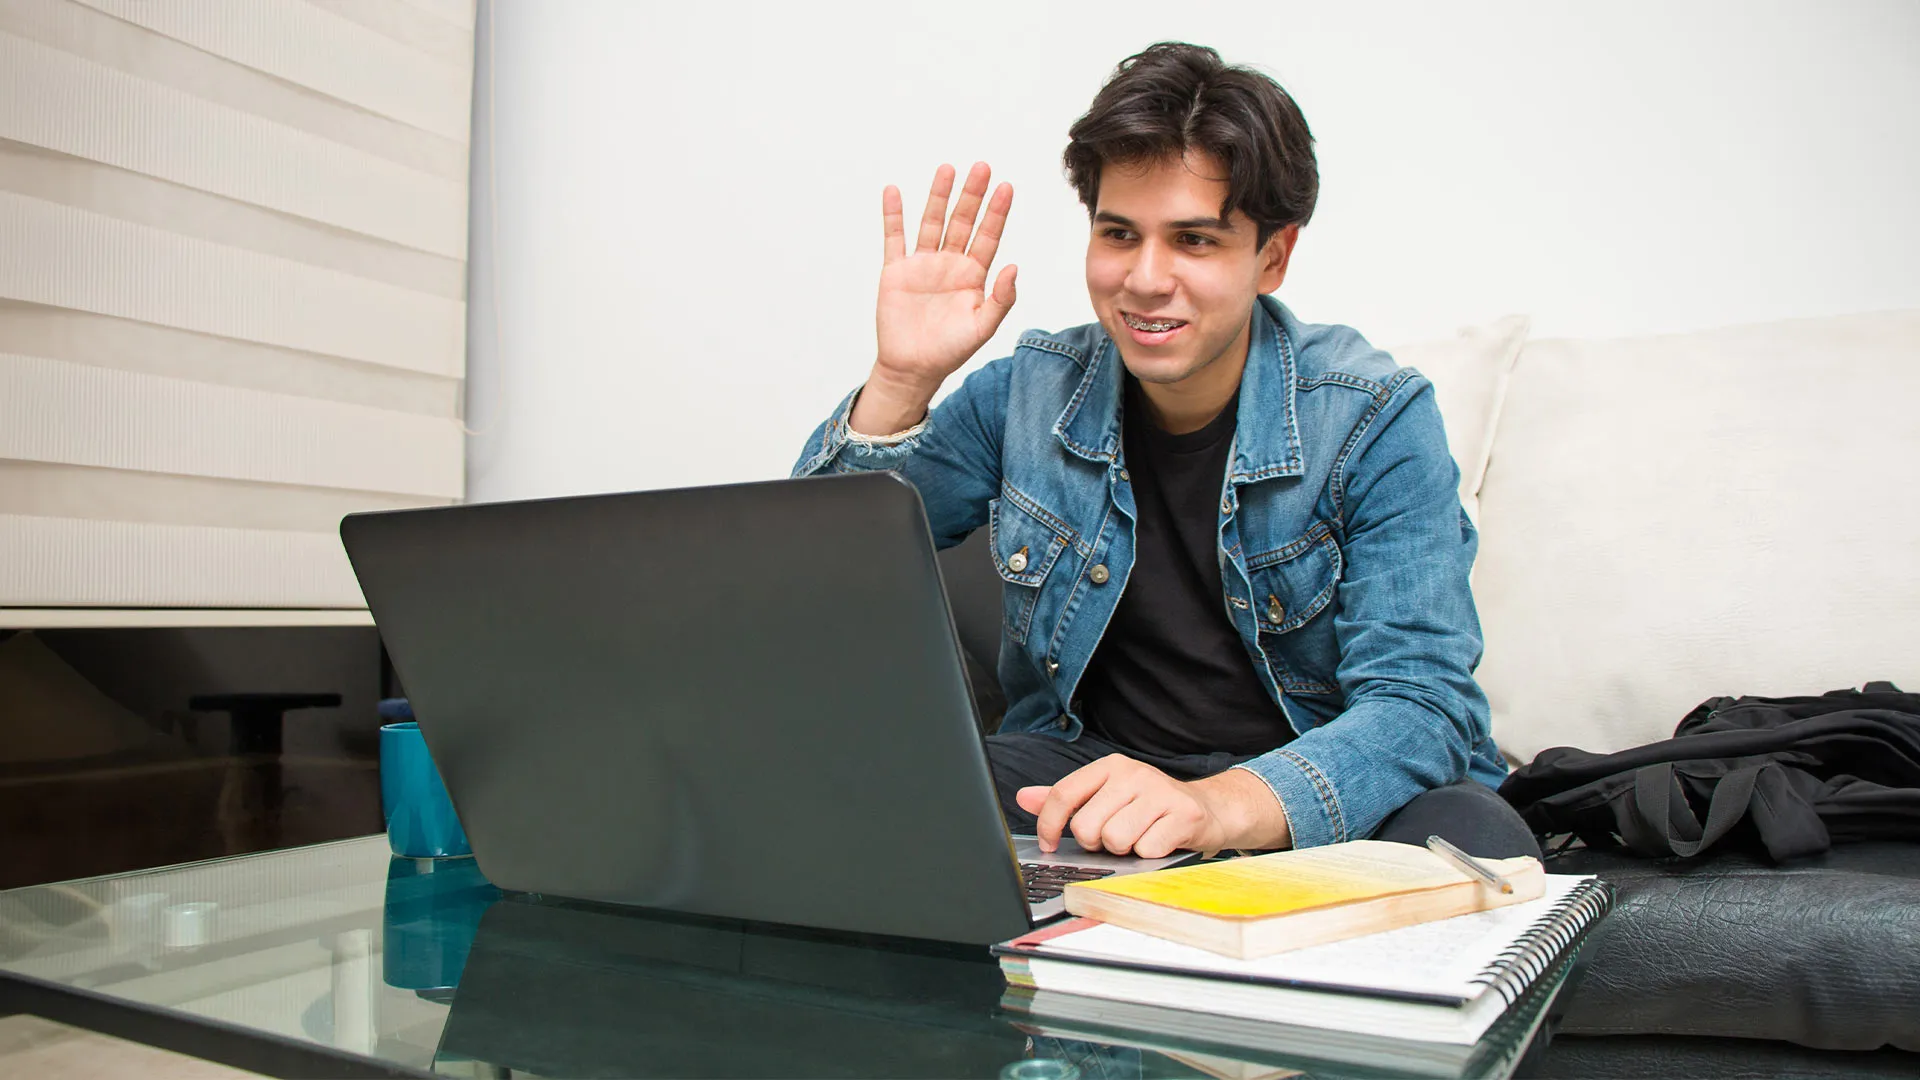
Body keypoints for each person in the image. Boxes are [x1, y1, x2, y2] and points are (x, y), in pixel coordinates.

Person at [793, 42, 1534, 861]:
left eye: (1193, 241)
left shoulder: (1374, 418)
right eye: (1119, 234)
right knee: (853, 774)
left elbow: (1419, 702)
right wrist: (899, 381)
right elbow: (814, 582)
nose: (1145, 279)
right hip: (1095, 770)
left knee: (1475, 838)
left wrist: (1214, 808)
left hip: (1307, 786)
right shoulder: (1028, 392)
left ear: (1272, 257)